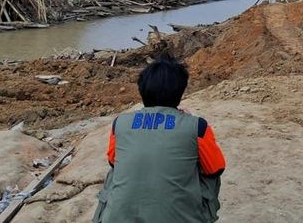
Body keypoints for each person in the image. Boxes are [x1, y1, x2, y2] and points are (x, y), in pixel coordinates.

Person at [93, 55, 226, 223]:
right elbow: (215, 170)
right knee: (204, 170)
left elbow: (113, 162)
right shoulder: (197, 126)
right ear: (180, 91)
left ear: (142, 89)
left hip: (117, 218)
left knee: (116, 170)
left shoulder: (119, 123)